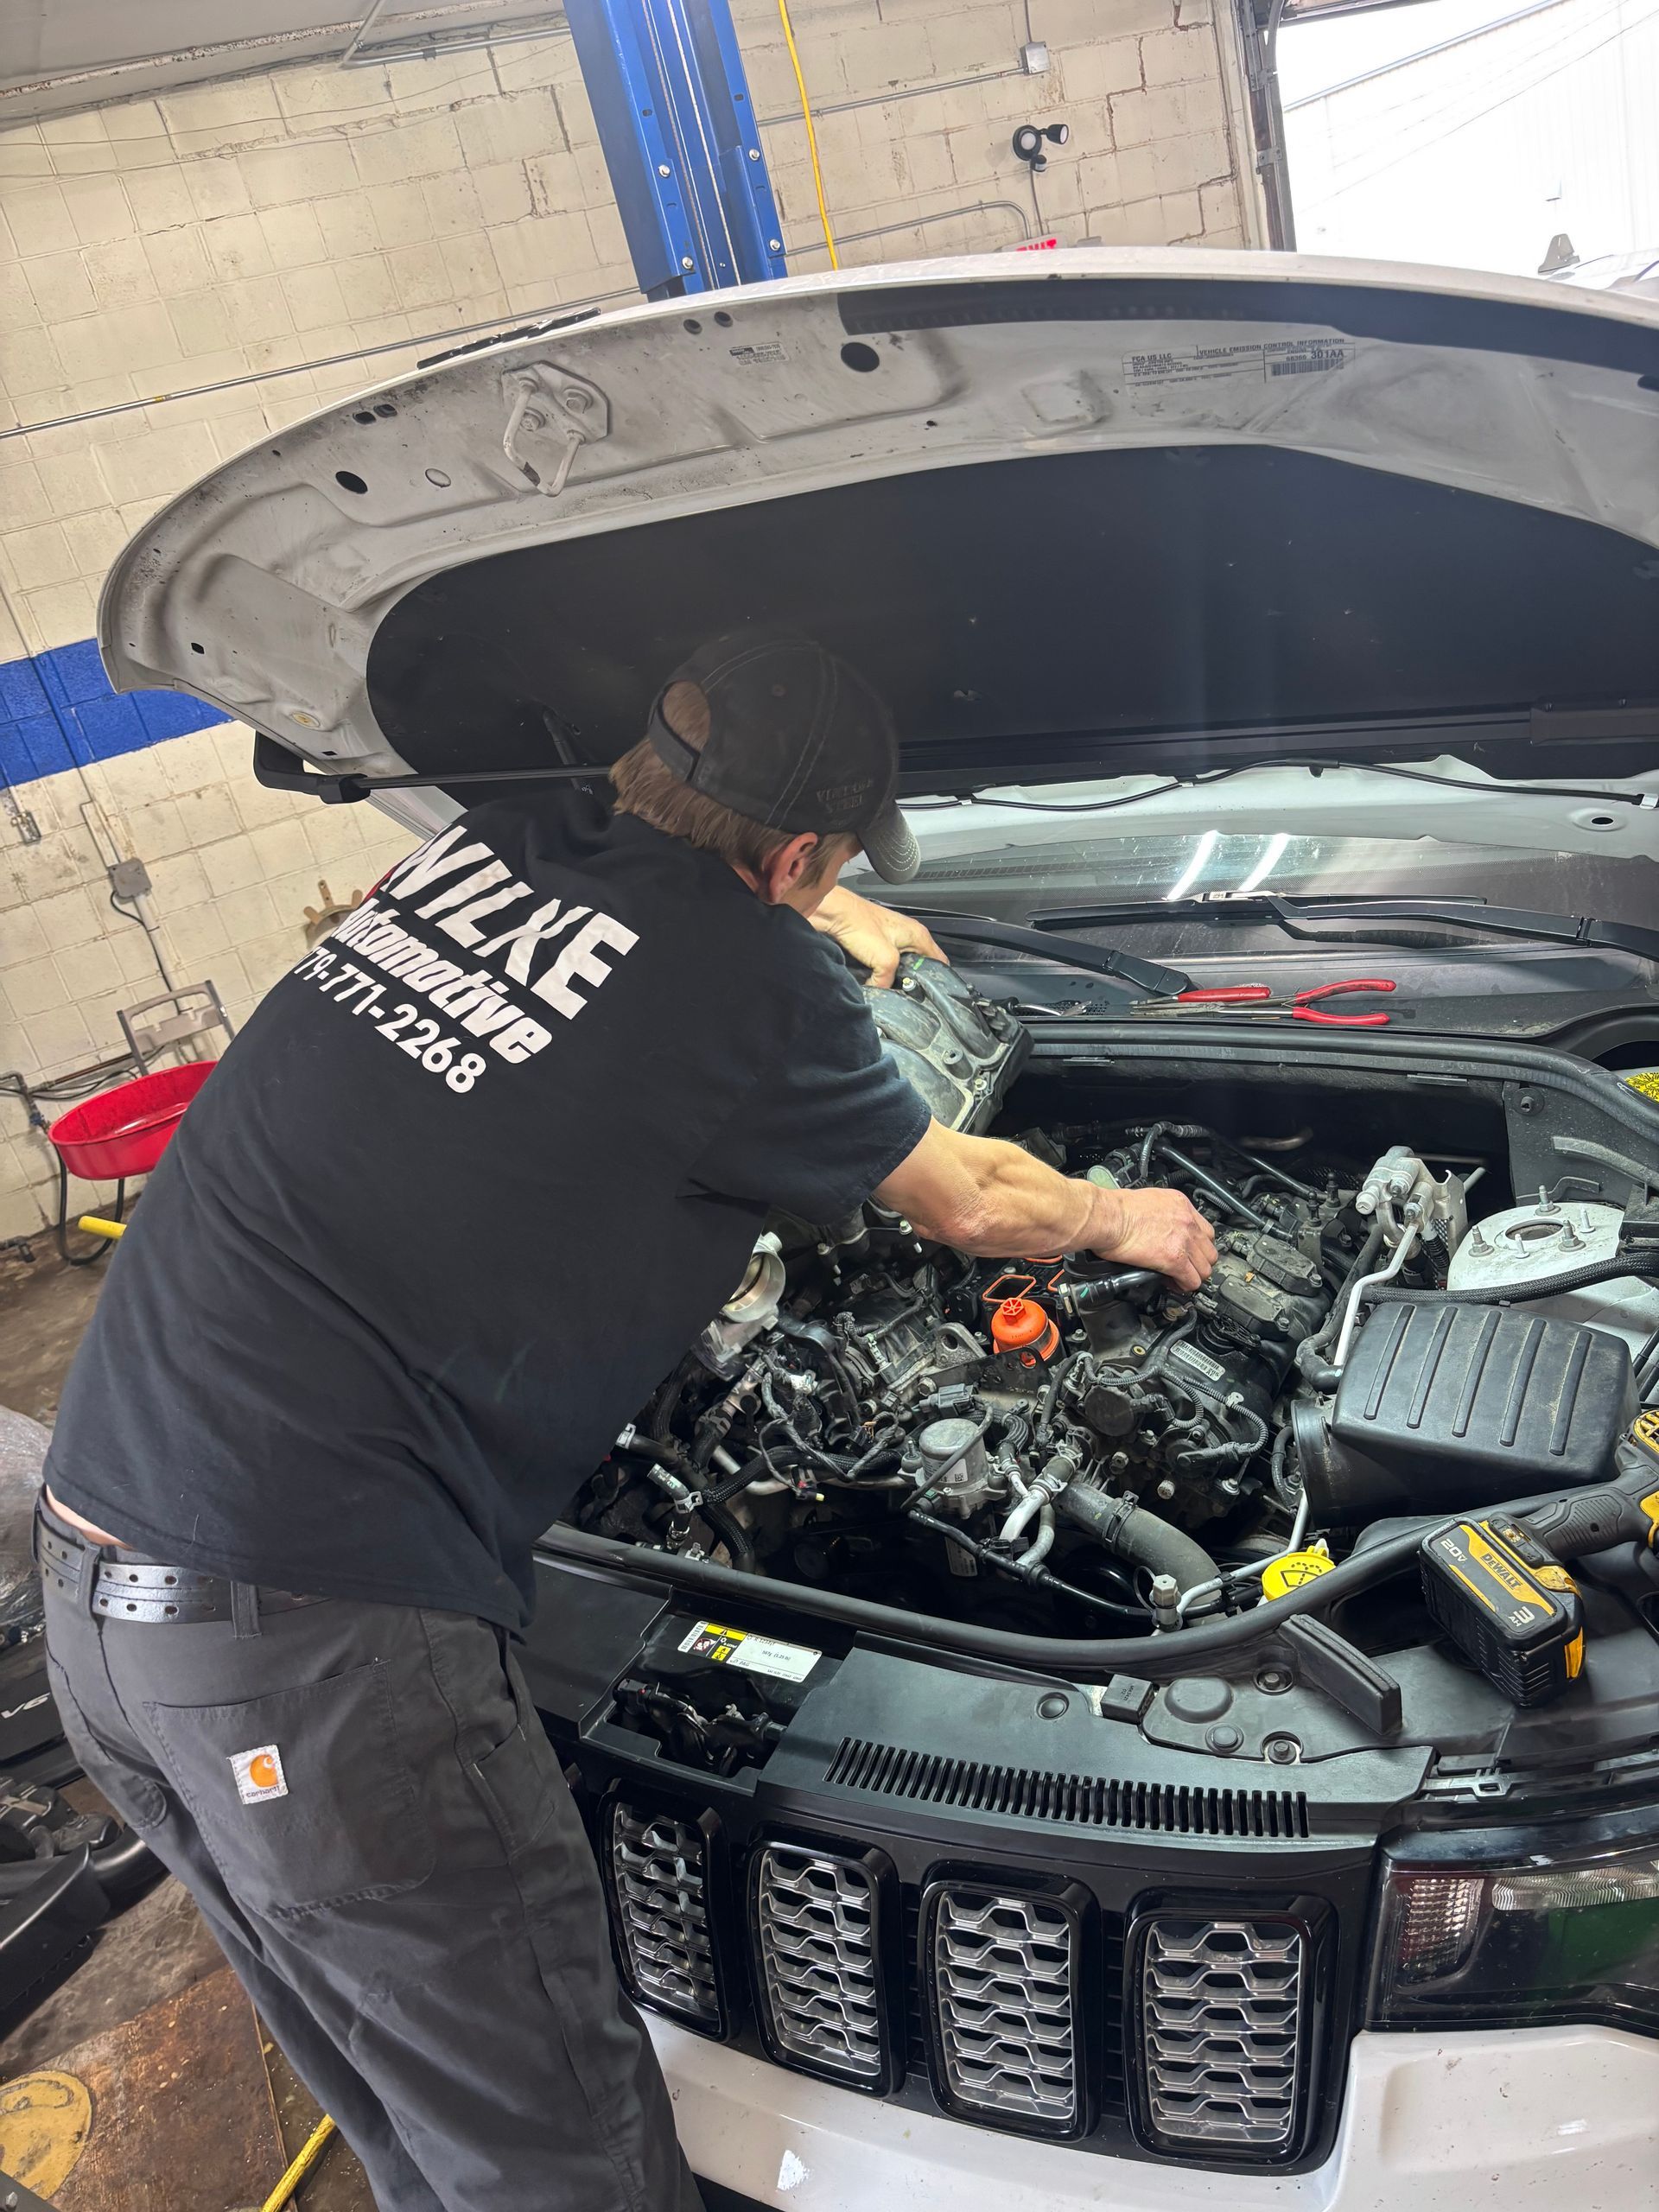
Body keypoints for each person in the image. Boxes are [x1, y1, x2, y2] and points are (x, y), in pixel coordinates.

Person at [39, 633, 1215, 2212]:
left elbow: (676, 918)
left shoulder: (491, 844)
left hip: (105, 1600)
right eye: (833, 869)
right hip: (315, 1666)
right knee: (557, 2153)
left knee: (404, 2095)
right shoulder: (744, 986)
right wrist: (1125, 1216)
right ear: (794, 855)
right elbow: (980, 1200)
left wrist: (834, 912)